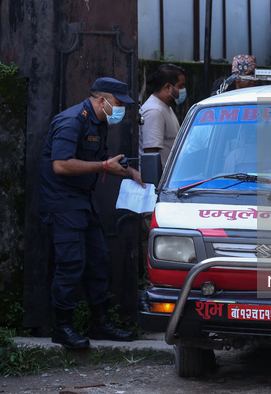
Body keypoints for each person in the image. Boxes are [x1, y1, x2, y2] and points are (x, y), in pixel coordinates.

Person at [38, 77, 145, 349]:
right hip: (63, 204)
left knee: (99, 261)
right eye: (118, 103)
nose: (120, 109)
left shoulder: (98, 122)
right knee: (70, 265)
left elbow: (104, 164)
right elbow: (61, 166)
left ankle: (100, 323)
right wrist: (102, 166)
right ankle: (62, 327)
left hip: (83, 203)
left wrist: (130, 173)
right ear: (102, 100)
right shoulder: (72, 120)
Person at [138, 64, 186, 283]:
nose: (182, 90)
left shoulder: (165, 107)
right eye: (180, 86)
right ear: (168, 87)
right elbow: (151, 155)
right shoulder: (155, 111)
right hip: (156, 192)